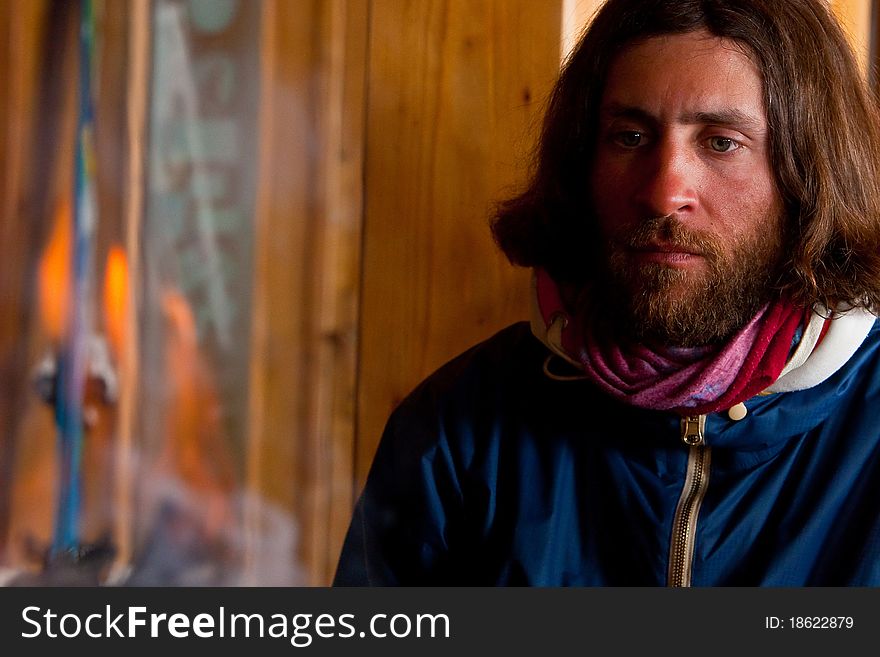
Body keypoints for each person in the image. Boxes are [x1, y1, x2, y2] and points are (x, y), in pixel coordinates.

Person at [334, 0, 880, 586]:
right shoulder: (455, 431)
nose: (665, 190)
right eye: (630, 135)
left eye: (721, 142)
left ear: (809, 174)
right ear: (582, 162)